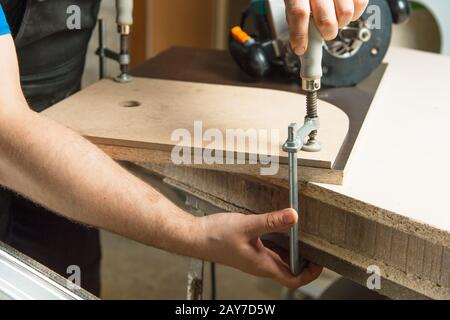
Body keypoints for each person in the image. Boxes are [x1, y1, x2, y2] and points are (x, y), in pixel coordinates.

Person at [0, 0, 367, 296]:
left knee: (73, 282)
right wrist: (195, 233)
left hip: (59, 139)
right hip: (14, 134)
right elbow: (7, 132)